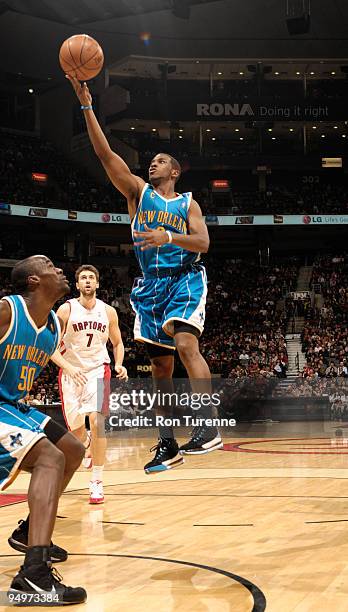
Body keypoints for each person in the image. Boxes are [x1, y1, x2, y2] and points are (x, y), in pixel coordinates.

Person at [67, 76, 222, 474]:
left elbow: (203, 243)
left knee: (187, 344)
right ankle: (167, 444)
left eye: (161, 160)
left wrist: (168, 235)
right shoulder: (138, 192)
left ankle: (207, 424)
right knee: (160, 369)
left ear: (175, 172)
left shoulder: (188, 204)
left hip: (185, 277)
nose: (152, 162)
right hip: (150, 286)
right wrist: (86, 105)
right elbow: (105, 156)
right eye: (151, 159)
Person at [1, 255, 87, 604]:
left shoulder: (52, 326)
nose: (60, 270)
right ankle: (33, 577)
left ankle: (28, 531)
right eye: (50, 266)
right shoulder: (7, 311)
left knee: (73, 450)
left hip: (14, 406)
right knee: (49, 457)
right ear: (34, 281)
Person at [53, 264, 127, 504]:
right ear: (77, 285)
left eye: (91, 278)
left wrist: (119, 364)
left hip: (98, 370)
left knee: (98, 421)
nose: (87, 281)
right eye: (83, 278)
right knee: (76, 430)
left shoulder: (108, 312)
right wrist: (68, 367)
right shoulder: (65, 310)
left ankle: (97, 481)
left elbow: (117, 343)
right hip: (71, 372)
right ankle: (84, 443)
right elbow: (50, 347)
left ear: (97, 284)